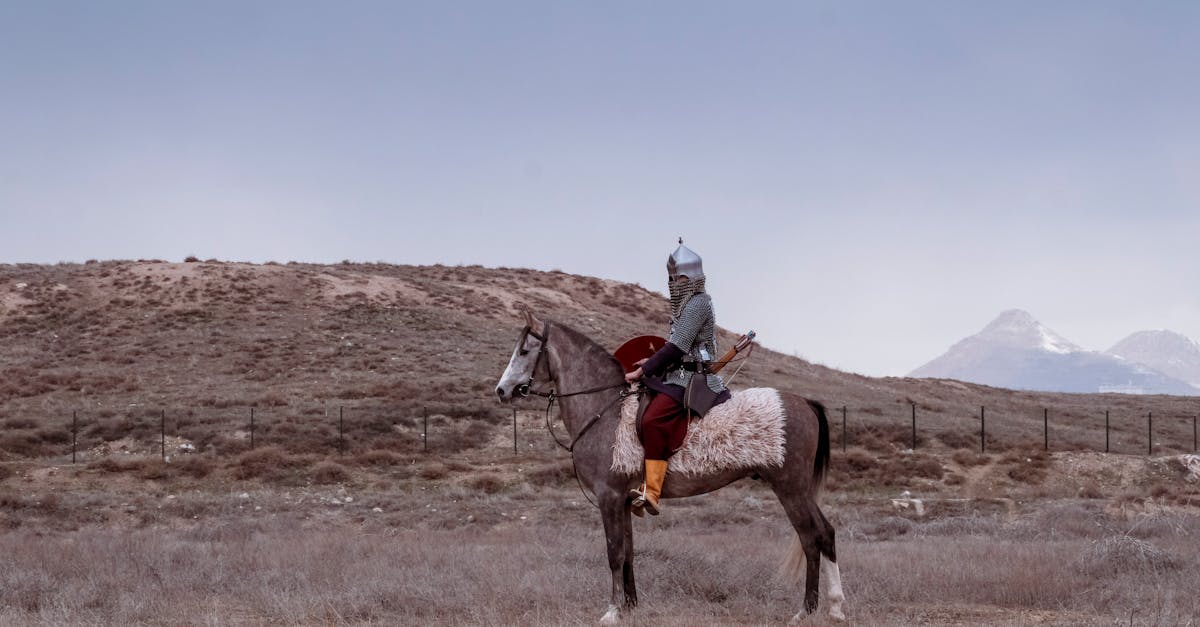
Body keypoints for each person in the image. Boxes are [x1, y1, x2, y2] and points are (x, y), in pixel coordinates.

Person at [624, 238, 730, 516]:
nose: (675, 281)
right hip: (677, 374)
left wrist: (641, 371)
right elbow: (677, 349)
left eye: (680, 276)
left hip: (693, 380)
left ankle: (653, 491)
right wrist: (651, 361)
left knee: (653, 419)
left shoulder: (698, 303)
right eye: (672, 277)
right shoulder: (683, 307)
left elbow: (677, 346)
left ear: (693, 277)